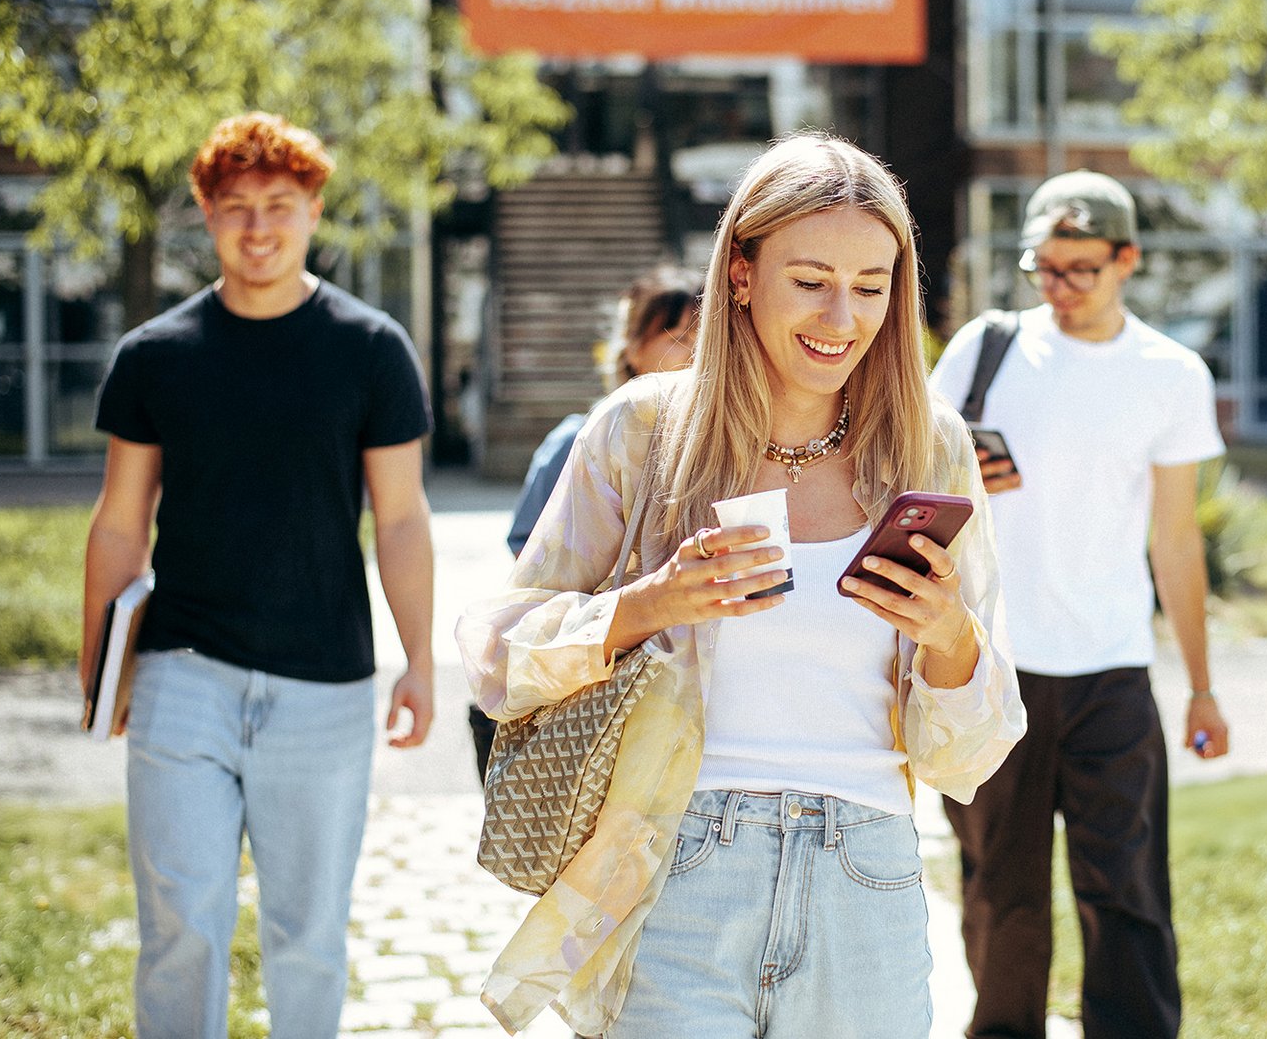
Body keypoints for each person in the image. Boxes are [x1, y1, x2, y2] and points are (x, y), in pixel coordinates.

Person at [457, 133, 1026, 1039]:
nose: (842, 317)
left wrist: (951, 636)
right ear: (741, 274)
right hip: (678, 865)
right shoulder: (642, 432)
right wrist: (651, 604)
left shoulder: (932, 447)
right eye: (811, 281)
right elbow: (499, 660)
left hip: (866, 873)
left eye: (871, 287)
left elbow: (970, 755)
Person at [81, 112, 435, 1038]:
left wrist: (422, 659)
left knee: (307, 935)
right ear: (206, 213)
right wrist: (100, 671)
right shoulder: (156, 356)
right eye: (235, 208)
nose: (259, 228)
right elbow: (120, 523)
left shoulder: (370, 349)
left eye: (280, 205)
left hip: (324, 687)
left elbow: (400, 520)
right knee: (180, 927)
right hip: (181, 678)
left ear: (315, 209)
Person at [927, 169, 1231, 1039]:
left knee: (1127, 889)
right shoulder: (985, 350)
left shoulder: (1170, 375)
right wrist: (956, 476)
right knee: (1001, 890)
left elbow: (1175, 542)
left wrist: (1203, 687)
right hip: (991, 670)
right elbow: (901, 482)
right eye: (1043, 268)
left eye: (1079, 270)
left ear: (1126, 259)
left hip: (1111, 675)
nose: (1057, 288)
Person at [467, 268, 701, 781]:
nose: (691, 352)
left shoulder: (717, 447)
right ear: (633, 347)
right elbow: (529, 554)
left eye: (703, 338)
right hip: (597, 667)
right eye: (675, 336)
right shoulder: (583, 438)